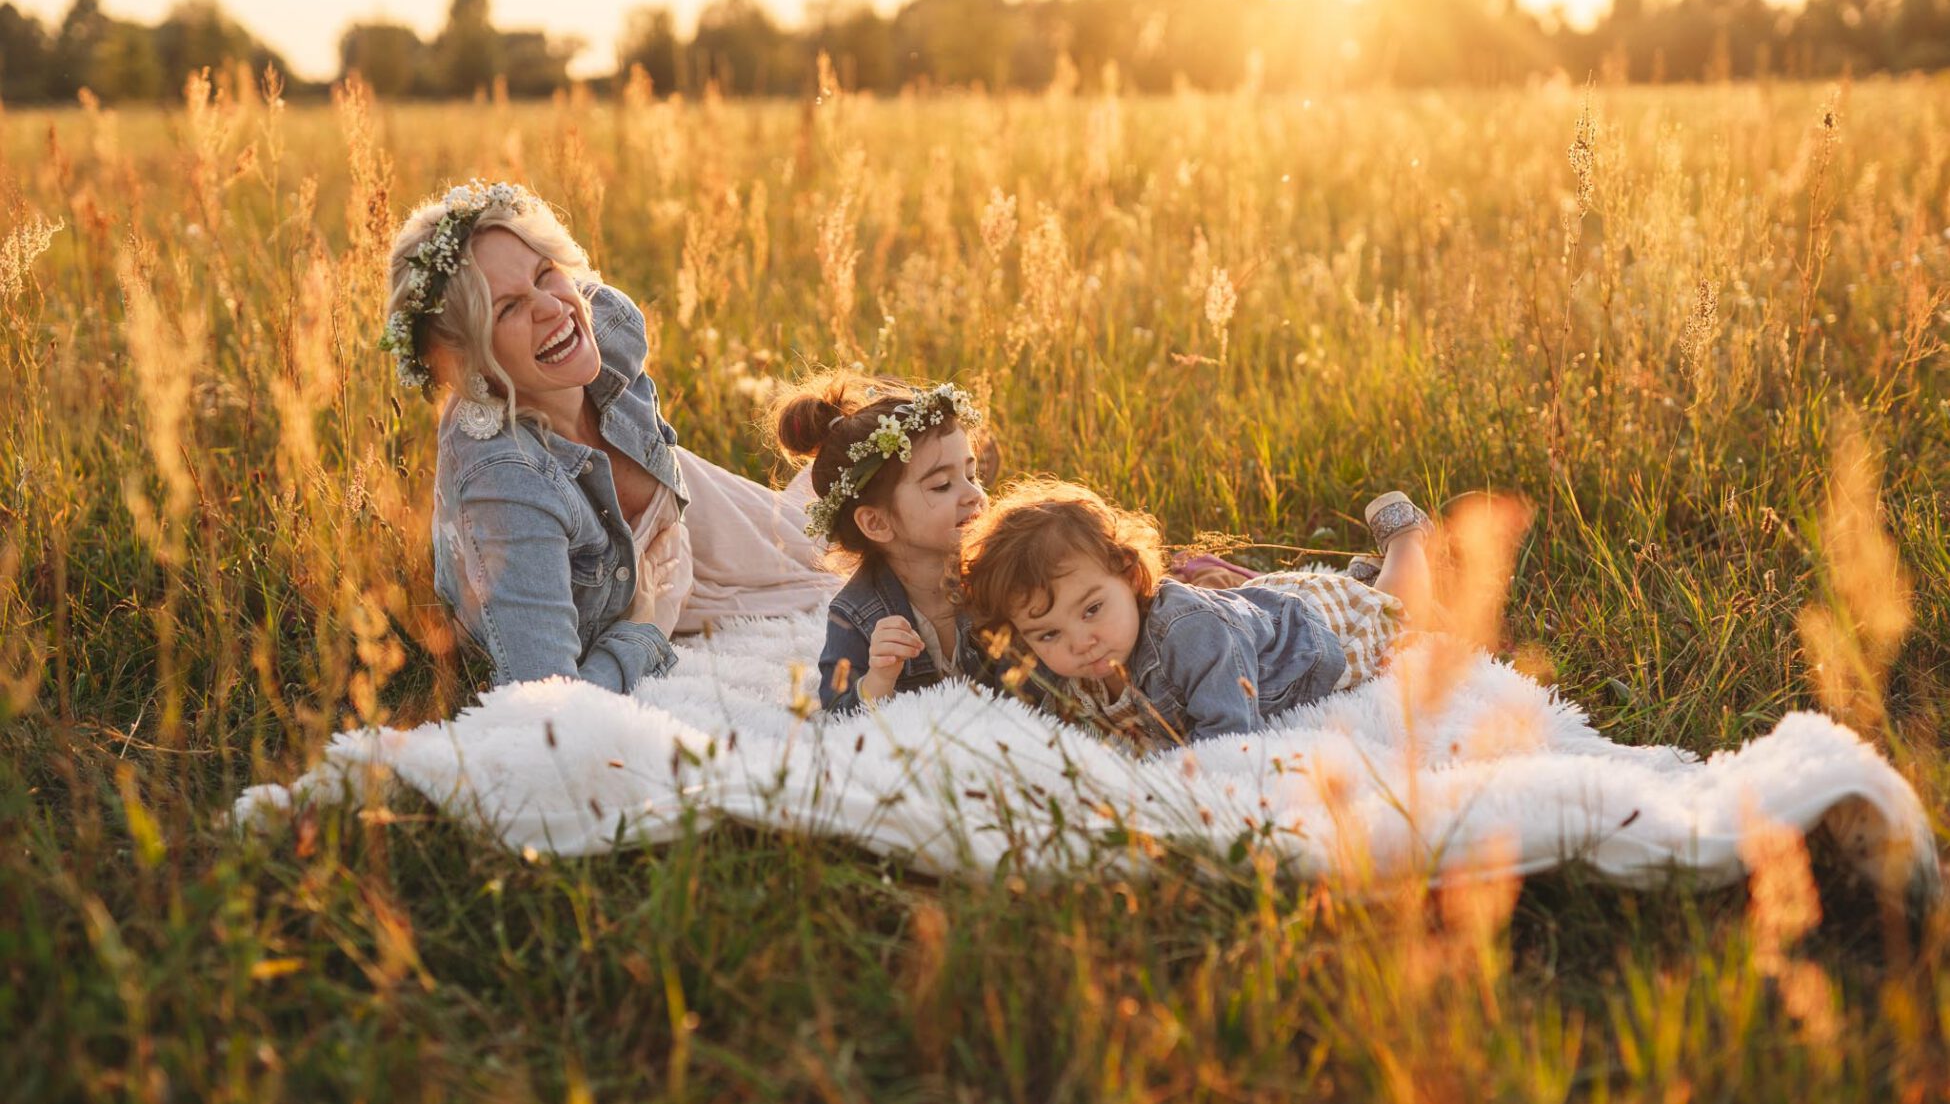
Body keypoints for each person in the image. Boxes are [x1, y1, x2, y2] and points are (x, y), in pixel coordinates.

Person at [383, 179, 837, 693]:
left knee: (868, 527)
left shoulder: (606, 325)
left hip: (689, 516)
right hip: (640, 597)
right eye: (507, 309)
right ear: (466, 362)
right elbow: (551, 703)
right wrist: (647, 626)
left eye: (544, 274)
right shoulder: (507, 485)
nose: (553, 308)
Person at [957, 480, 1433, 750]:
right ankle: (1364, 575)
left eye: (1093, 609)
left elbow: (1230, 740)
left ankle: (1405, 537)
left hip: (1305, 637)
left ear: (1129, 575)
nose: (1080, 642)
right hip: (1246, 614)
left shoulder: (1189, 635)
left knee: (1395, 612)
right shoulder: (1072, 664)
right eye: (1047, 634)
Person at [770, 375, 993, 714]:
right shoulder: (856, 613)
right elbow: (838, 709)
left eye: (972, 475)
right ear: (877, 523)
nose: (974, 494)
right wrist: (879, 678)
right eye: (942, 485)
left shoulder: (998, 574)